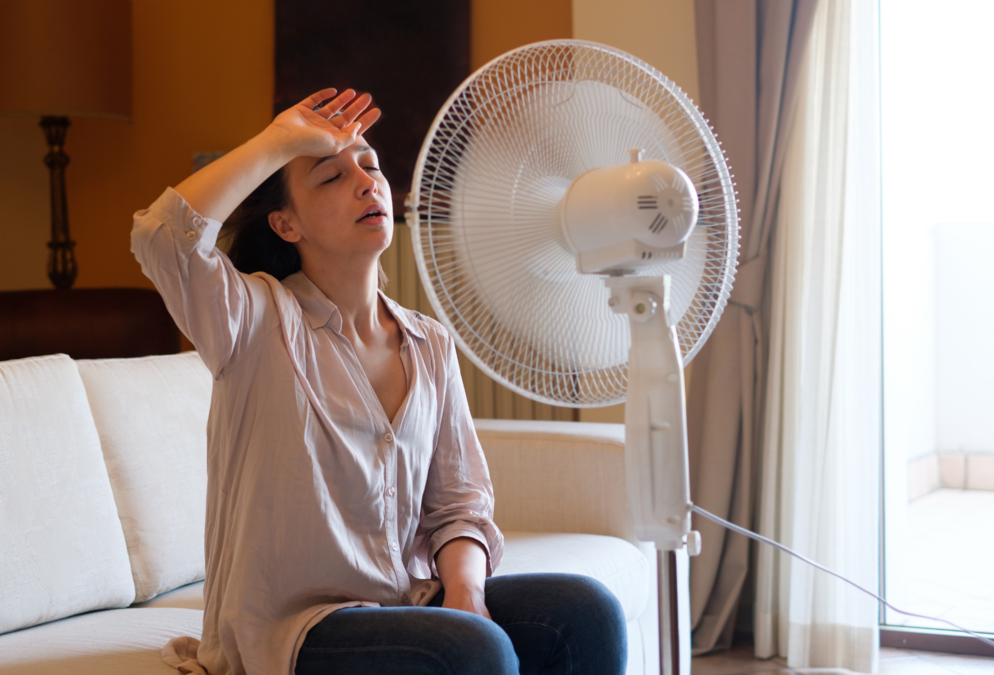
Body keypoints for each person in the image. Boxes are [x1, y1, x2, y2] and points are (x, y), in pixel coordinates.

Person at [131, 88, 627, 675]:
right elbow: (163, 236)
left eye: (369, 167)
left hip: (405, 603)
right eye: (330, 178)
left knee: (587, 610)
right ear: (285, 223)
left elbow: (458, 505)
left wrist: (465, 593)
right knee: (472, 651)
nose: (367, 183)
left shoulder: (430, 344)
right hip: (294, 632)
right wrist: (278, 142)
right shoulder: (254, 319)